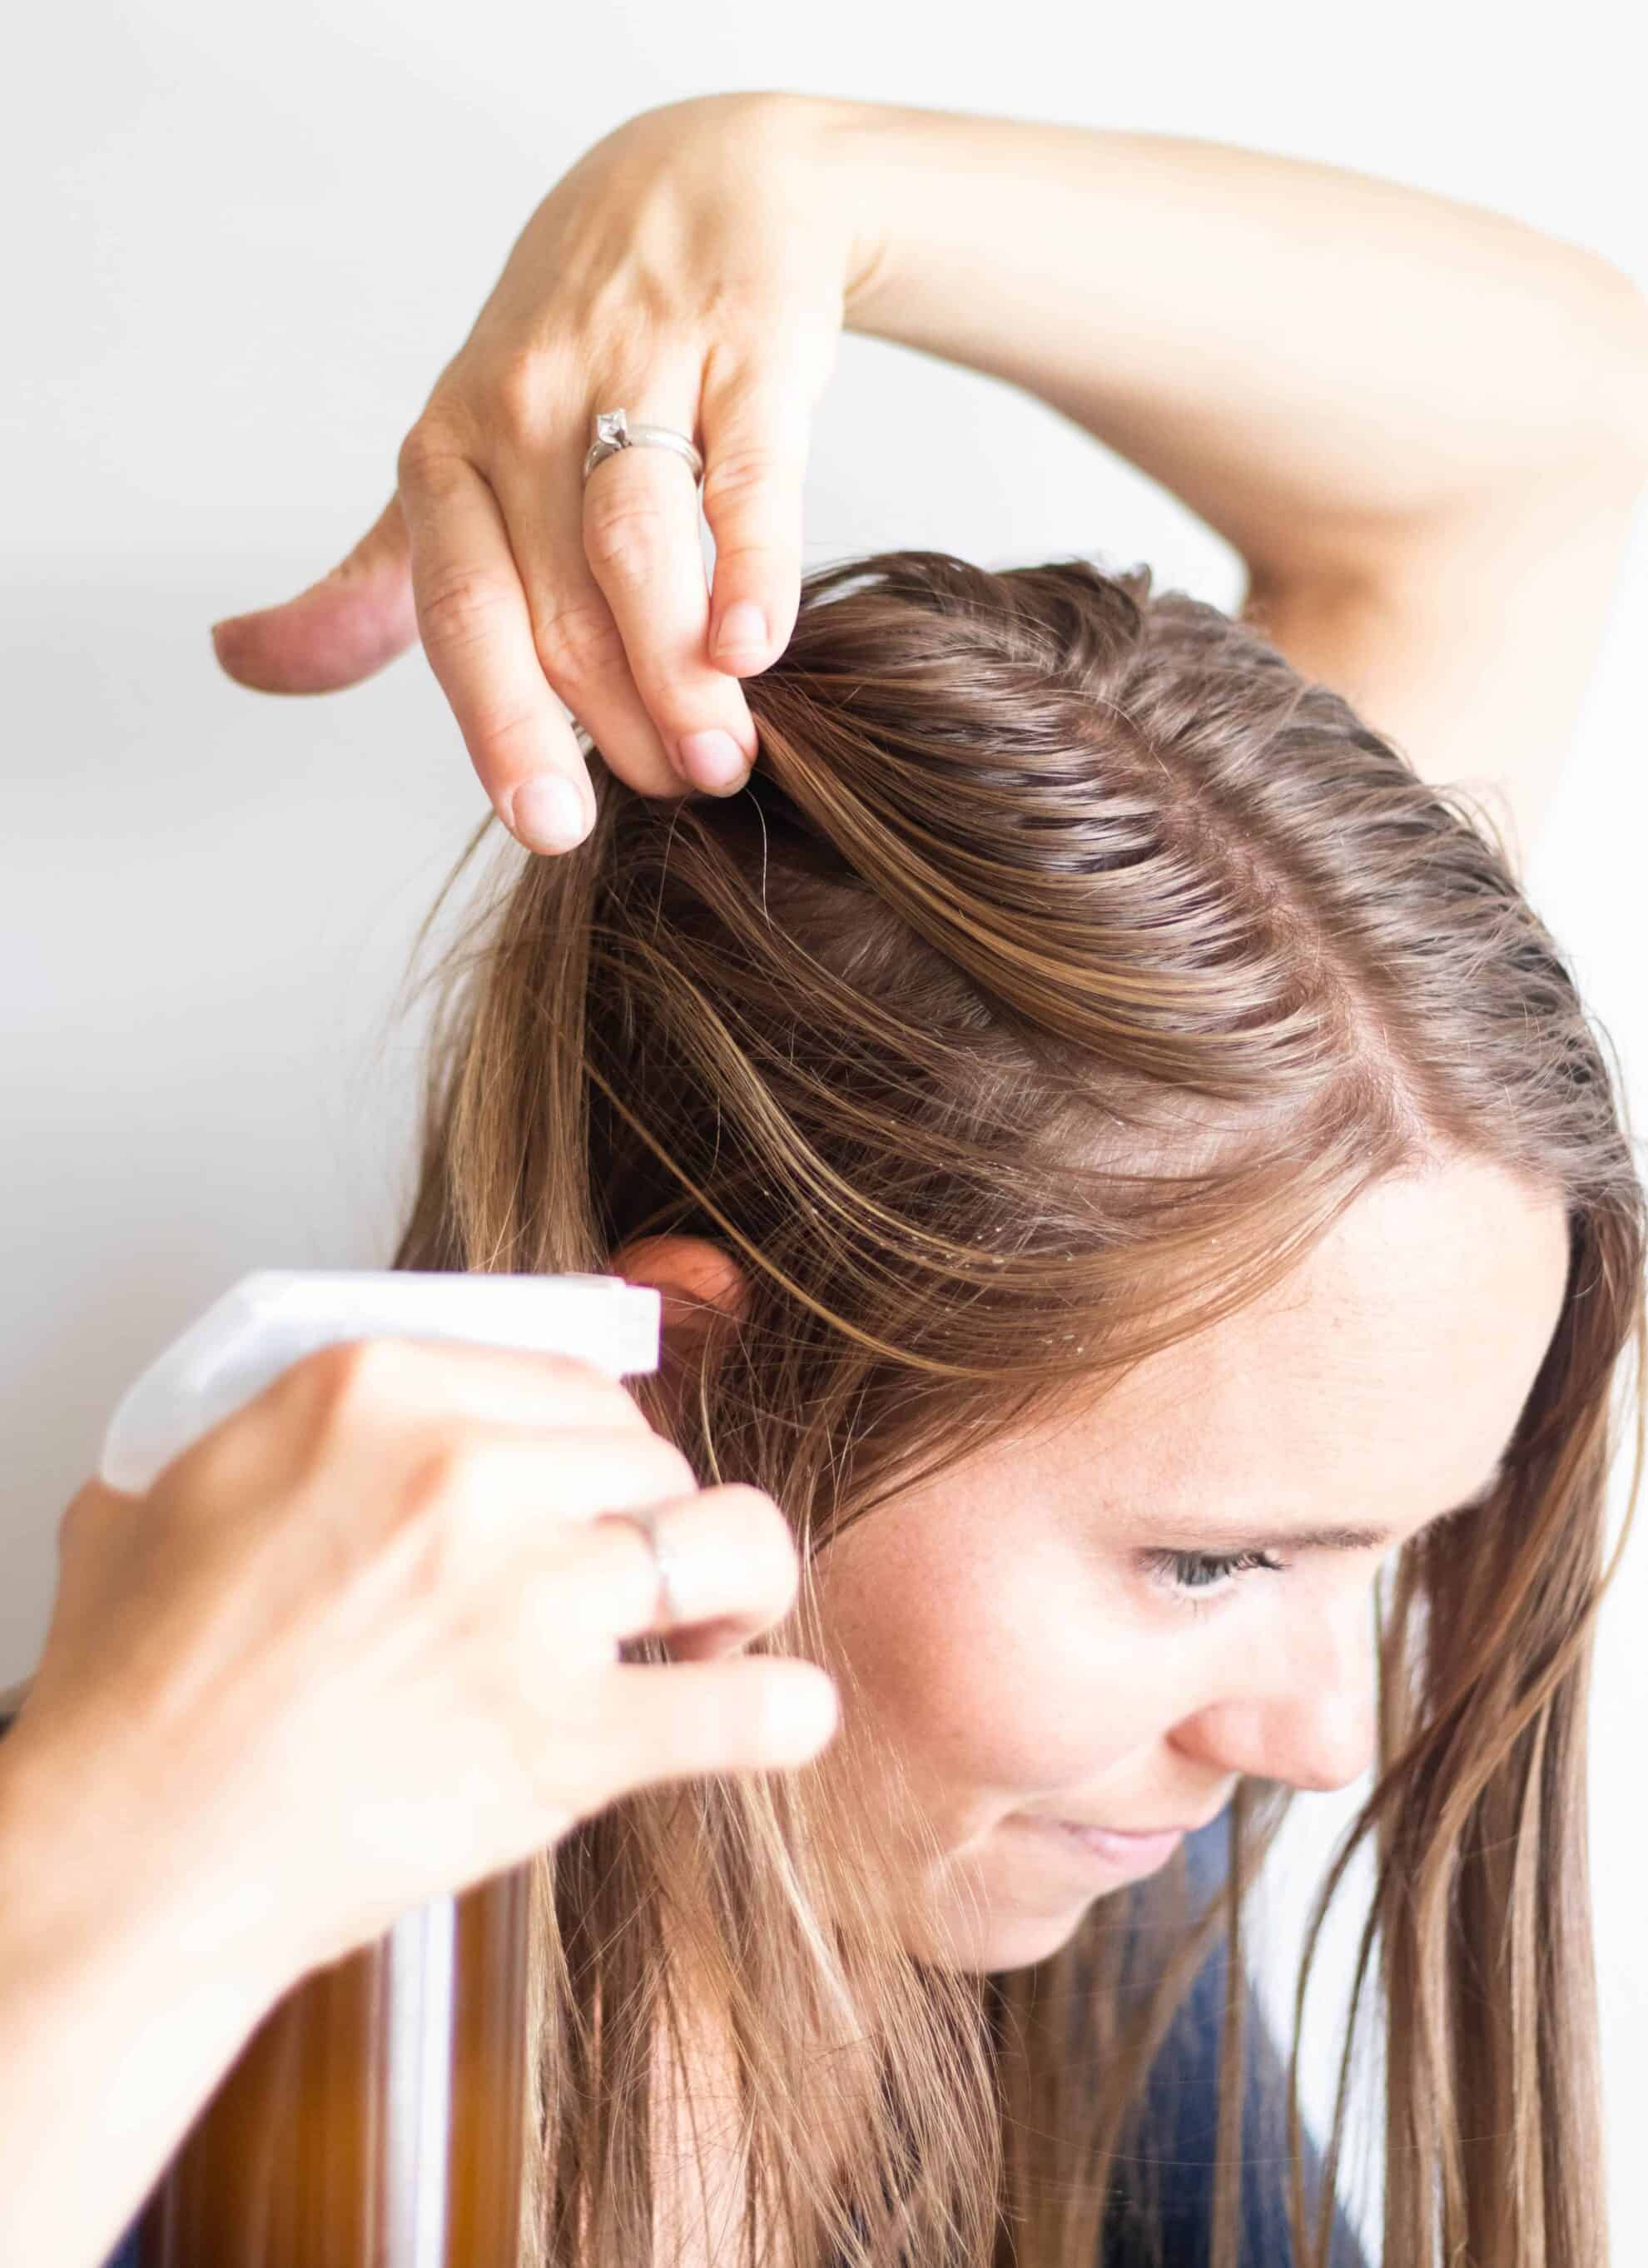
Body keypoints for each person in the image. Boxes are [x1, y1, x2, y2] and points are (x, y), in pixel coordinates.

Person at [2, 86, 1646, 2268]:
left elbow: (1528, 457)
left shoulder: (1041, 1831)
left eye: (1370, 1558)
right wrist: (112, 1884)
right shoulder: (135, 2027)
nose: (1314, 1739)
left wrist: (782, 183)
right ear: (681, 1377)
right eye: (1206, 1564)